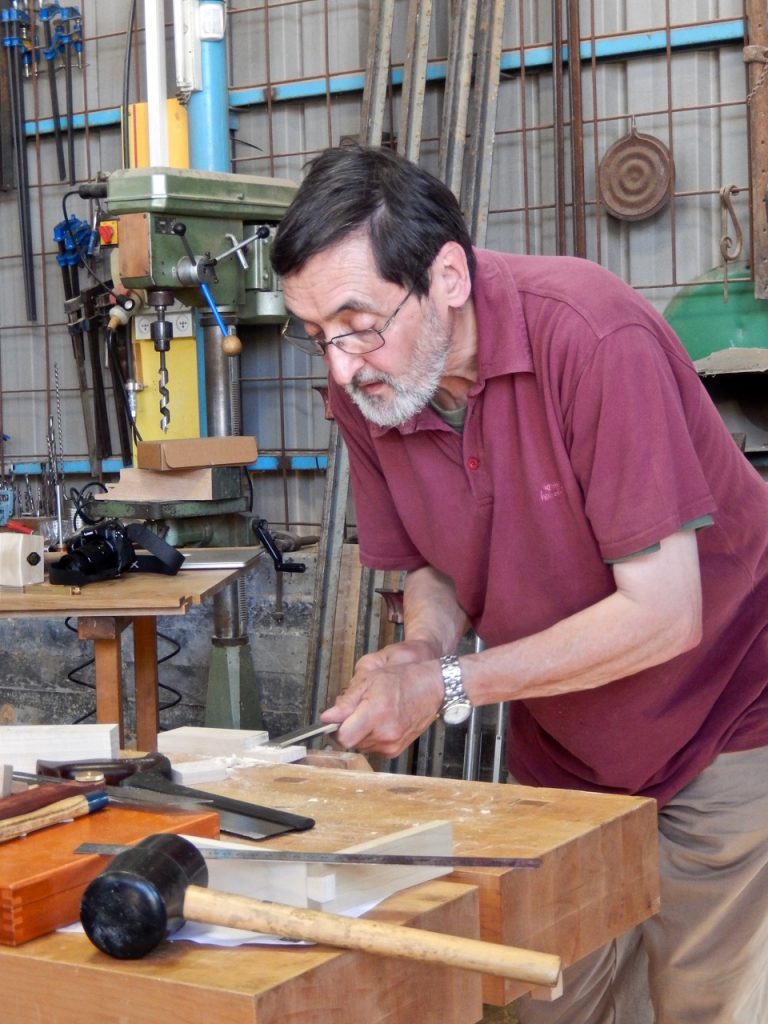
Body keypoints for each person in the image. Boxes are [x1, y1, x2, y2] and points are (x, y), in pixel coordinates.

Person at [270, 144, 768, 1024]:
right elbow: (431, 560)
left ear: (448, 278)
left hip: (724, 711)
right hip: (568, 748)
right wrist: (420, 648)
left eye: (358, 323)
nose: (342, 366)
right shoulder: (371, 390)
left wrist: (448, 683)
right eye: (317, 335)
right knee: (546, 997)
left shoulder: (589, 334)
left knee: (706, 1000)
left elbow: (665, 614)